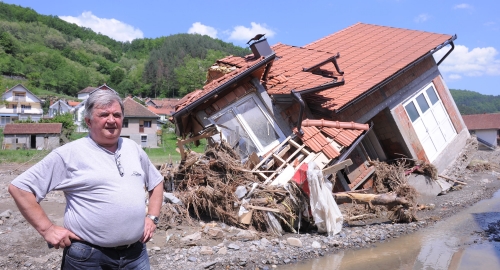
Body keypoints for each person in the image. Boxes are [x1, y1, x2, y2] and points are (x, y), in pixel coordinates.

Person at [8, 89, 164, 269]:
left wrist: (152, 218)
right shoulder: (69, 154)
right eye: (104, 115)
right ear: (88, 121)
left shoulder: (133, 148)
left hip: (135, 255)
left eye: (117, 115)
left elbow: (156, 182)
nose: (112, 120)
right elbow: (20, 188)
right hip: (89, 258)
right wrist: (48, 229)